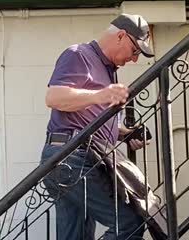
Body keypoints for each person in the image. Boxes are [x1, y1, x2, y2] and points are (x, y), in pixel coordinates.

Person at [41, 13, 155, 240]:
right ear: (121, 36)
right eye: (135, 51)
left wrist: (125, 134)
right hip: (71, 156)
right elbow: (54, 97)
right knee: (129, 224)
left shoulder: (108, 70)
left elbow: (89, 117)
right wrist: (100, 95)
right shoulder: (79, 54)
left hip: (78, 157)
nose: (134, 59)